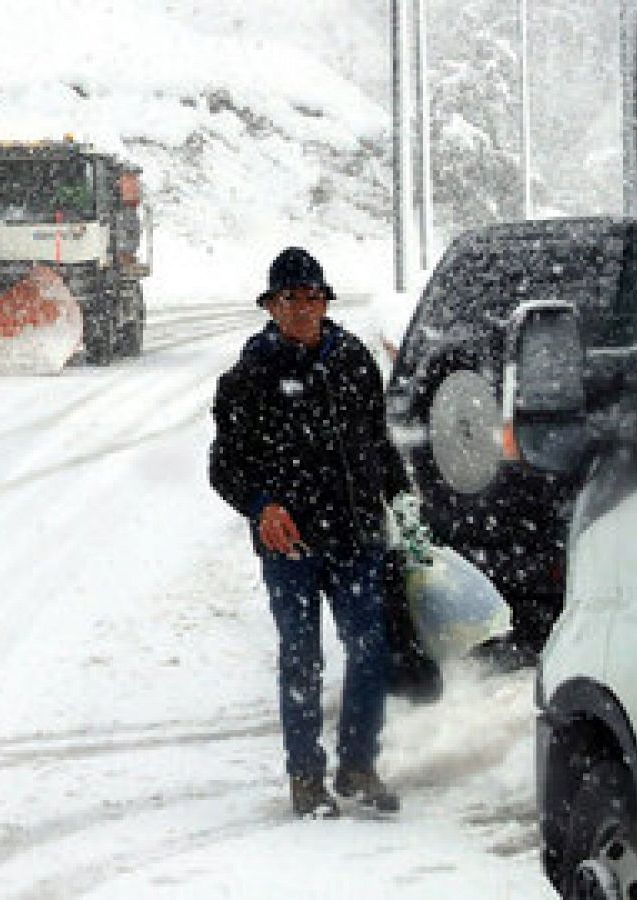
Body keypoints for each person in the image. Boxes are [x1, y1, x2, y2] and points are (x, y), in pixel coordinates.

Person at [208, 246, 416, 818]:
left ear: (325, 302)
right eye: (290, 299)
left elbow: (377, 442)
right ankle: (305, 778)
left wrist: (401, 500)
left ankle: (357, 767)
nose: (303, 309)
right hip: (291, 543)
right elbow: (224, 465)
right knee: (302, 658)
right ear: (271, 307)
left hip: (354, 535)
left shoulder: (353, 362)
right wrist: (261, 505)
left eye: (312, 297)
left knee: (370, 648)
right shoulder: (249, 377)